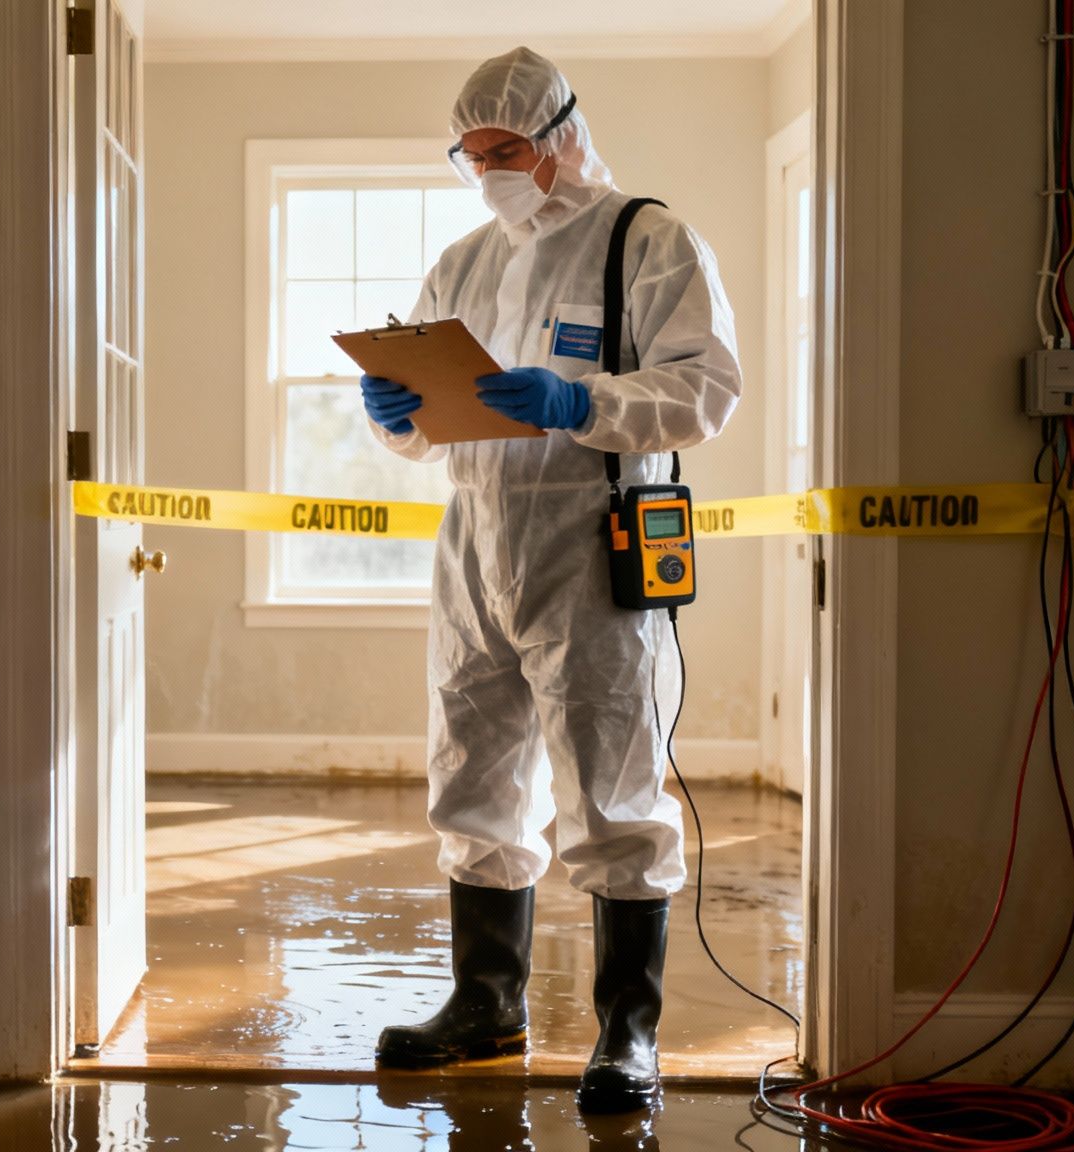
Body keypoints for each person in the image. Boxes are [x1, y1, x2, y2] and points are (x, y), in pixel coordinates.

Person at [362, 47, 742, 1115]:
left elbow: (706, 391)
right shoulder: (460, 261)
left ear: (562, 135)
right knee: (473, 781)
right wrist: (397, 417)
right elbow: (431, 419)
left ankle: (627, 1030)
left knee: (612, 792)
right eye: (469, 153)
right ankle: (486, 1000)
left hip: (589, 548)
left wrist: (578, 401)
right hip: (474, 552)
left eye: (506, 149)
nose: (486, 168)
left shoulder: (646, 240)